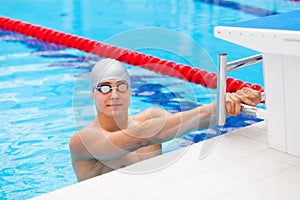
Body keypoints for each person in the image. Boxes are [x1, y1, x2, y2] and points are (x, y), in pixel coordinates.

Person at [69, 58, 262, 182]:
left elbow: (195, 121)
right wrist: (213, 107)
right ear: (92, 94)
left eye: (121, 86)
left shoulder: (152, 116)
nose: (113, 95)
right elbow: (143, 136)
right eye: (104, 88)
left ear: (130, 92)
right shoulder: (83, 140)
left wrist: (233, 101)